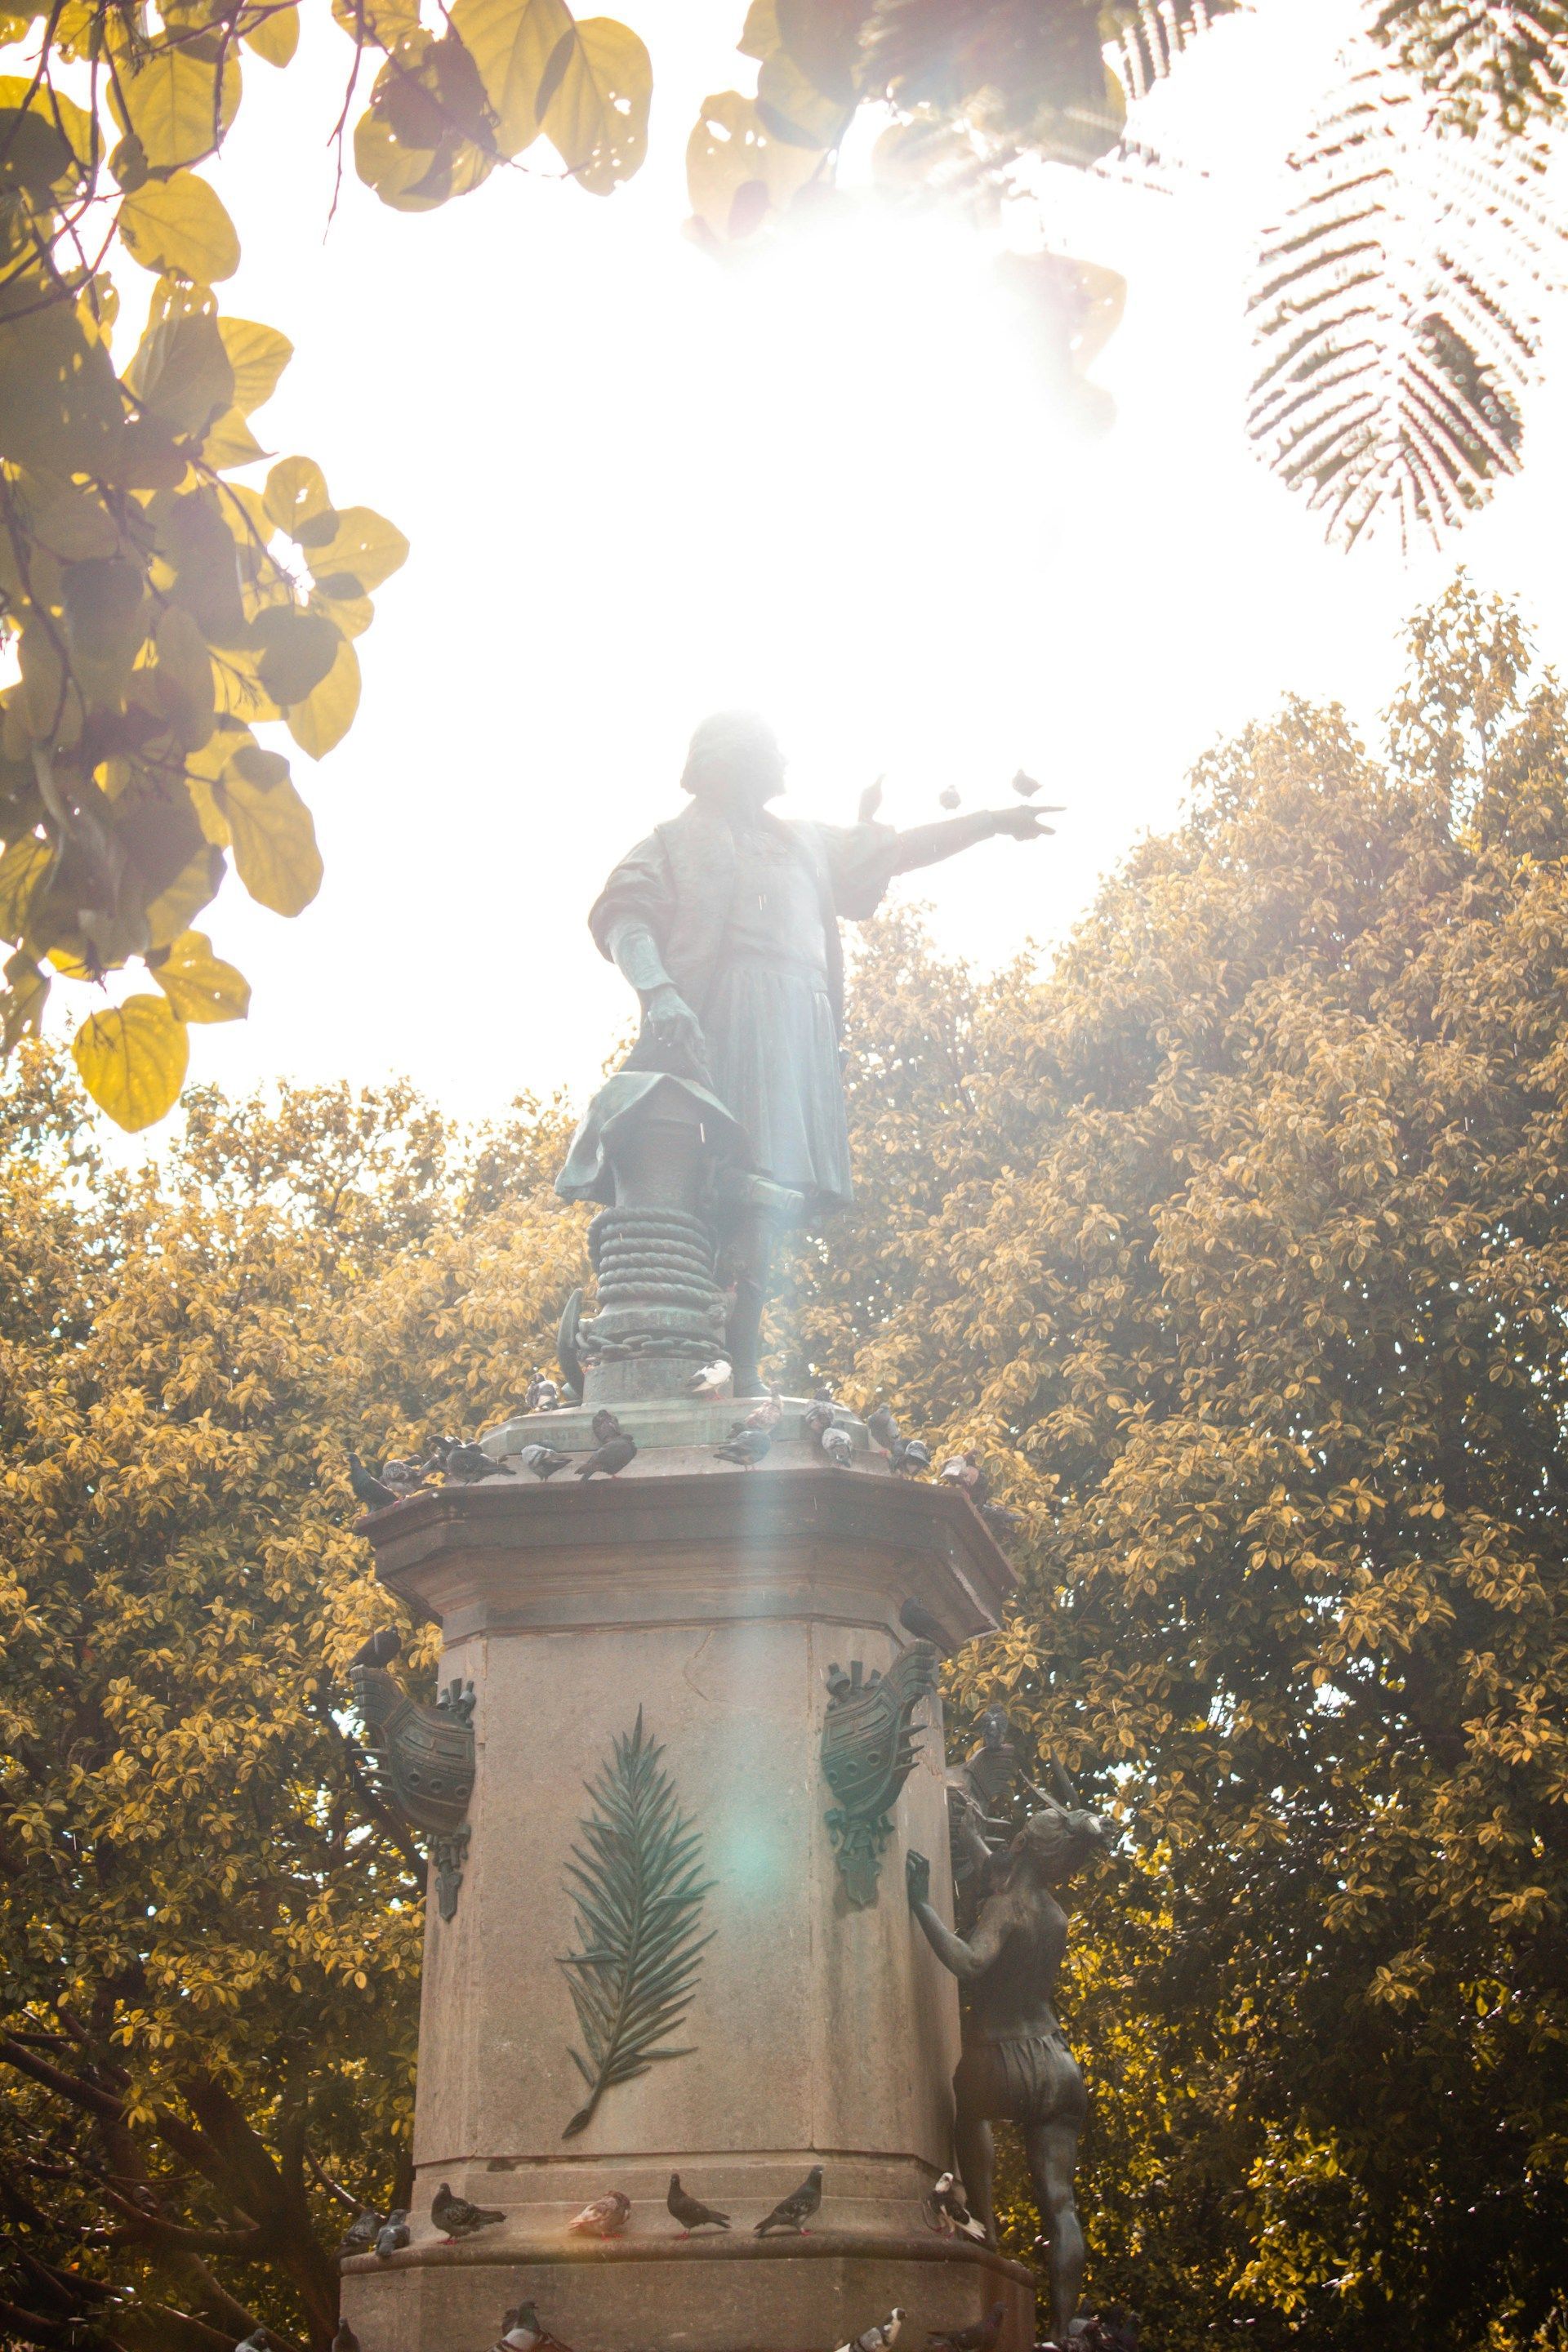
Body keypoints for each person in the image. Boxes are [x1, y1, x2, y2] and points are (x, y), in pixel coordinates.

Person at [557, 710, 1057, 1391]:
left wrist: (991, 822)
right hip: (733, 1012)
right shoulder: (675, 842)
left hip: (803, 1022)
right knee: (737, 1188)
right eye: (776, 752)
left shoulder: (805, 843)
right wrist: (661, 992)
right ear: (732, 761)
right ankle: (699, 1352)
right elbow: (624, 916)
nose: (788, 764)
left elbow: (900, 850)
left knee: (777, 1200)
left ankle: (739, 1362)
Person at [906, 1803, 1107, 2347]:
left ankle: (987, 2229)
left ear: (1020, 1845)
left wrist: (922, 1905)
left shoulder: (1006, 1907)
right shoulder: (1056, 1914)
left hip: (1001, 2057)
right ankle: (1065, 2332)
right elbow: (1001, 1863)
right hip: (1056, 2062)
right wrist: (970, 1833)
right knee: (1060, 2201)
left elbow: (971, 1963)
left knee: (968, 2108)